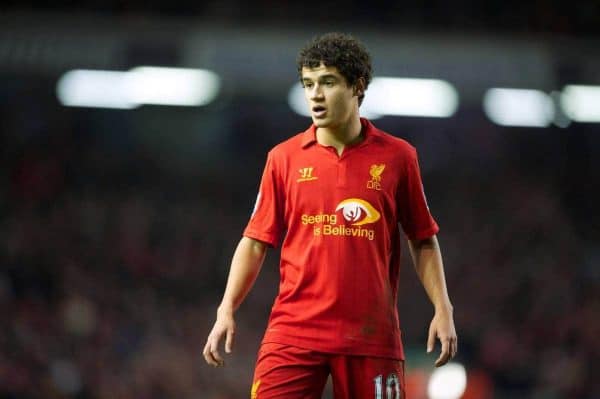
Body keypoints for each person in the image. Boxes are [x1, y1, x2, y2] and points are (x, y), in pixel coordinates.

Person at [203, 32, 457, 398]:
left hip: (371, 338)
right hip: (293, 333)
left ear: (357, 86)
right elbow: (255, 241)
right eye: (308, 84)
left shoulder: (399, 157)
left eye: (327, 83)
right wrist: (226, 309)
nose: (315, 95)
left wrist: (443, 308)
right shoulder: (284, 158)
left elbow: (422, 238)